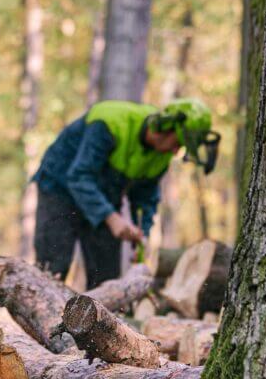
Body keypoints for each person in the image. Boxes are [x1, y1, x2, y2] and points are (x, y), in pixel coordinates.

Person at [31, 98, 219, 289]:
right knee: (53, 266)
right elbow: (79, 176)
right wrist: (112, 218)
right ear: (165, 127)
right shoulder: (111, 123)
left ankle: (97, 316)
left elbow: (145, 198)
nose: (176, 150)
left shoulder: (162, 156)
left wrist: (141, 235)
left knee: (105, 276)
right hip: (60, 188)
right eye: (178, 142)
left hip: (103, 197)